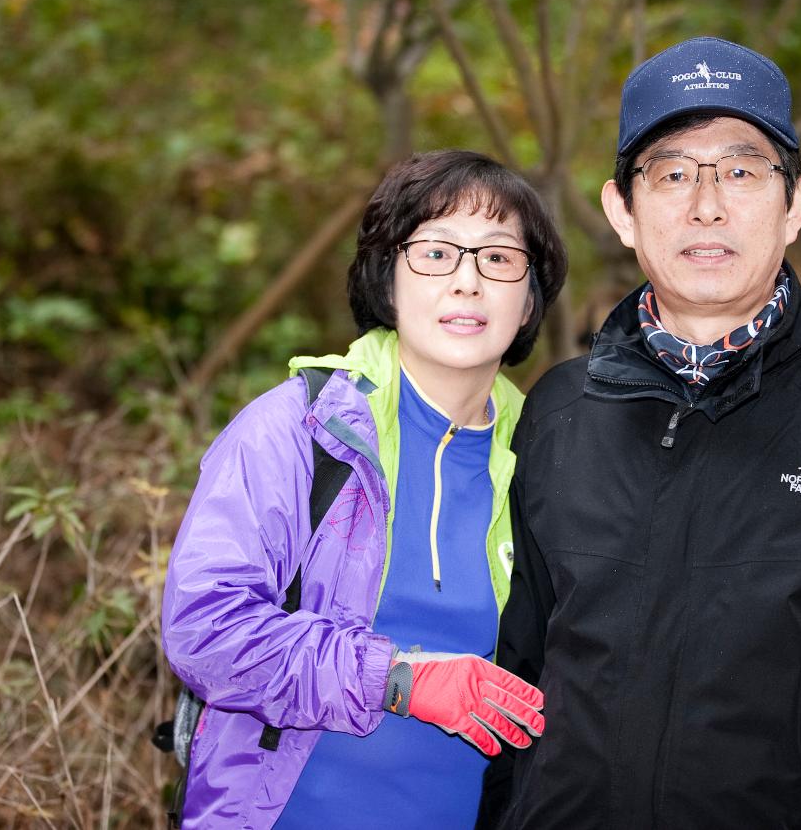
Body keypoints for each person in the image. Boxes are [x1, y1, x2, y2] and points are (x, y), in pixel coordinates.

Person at [479, 37, 801, 829]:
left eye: (742, 169)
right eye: (673, 172)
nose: (707, 205)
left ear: (795, 204)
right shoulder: (556, 413)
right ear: (622, 210)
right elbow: (510, 680)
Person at [161, 149, 568, 828]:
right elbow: (206, 628)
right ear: (387, 278)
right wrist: (400, 679)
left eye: (498, 258)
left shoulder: (550, 456)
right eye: (436, 252)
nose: (468, 281)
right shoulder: (300, 429)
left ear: (528, 299)